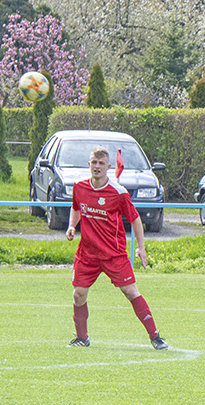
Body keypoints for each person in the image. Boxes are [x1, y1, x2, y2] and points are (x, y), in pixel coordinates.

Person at [65, 146, 169, 350]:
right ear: (89, 164)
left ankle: (155, 336)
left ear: (108, 167)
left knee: (130, 291)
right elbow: (76, 207)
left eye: (101, 163)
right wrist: (72, 226)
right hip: (87, 254)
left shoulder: (118, 193)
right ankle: (82, 338)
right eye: (94, 162)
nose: (97, 167)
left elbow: (135, 219)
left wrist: (141, 248)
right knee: (78, 294)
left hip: (114, 254)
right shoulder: (79, 186)